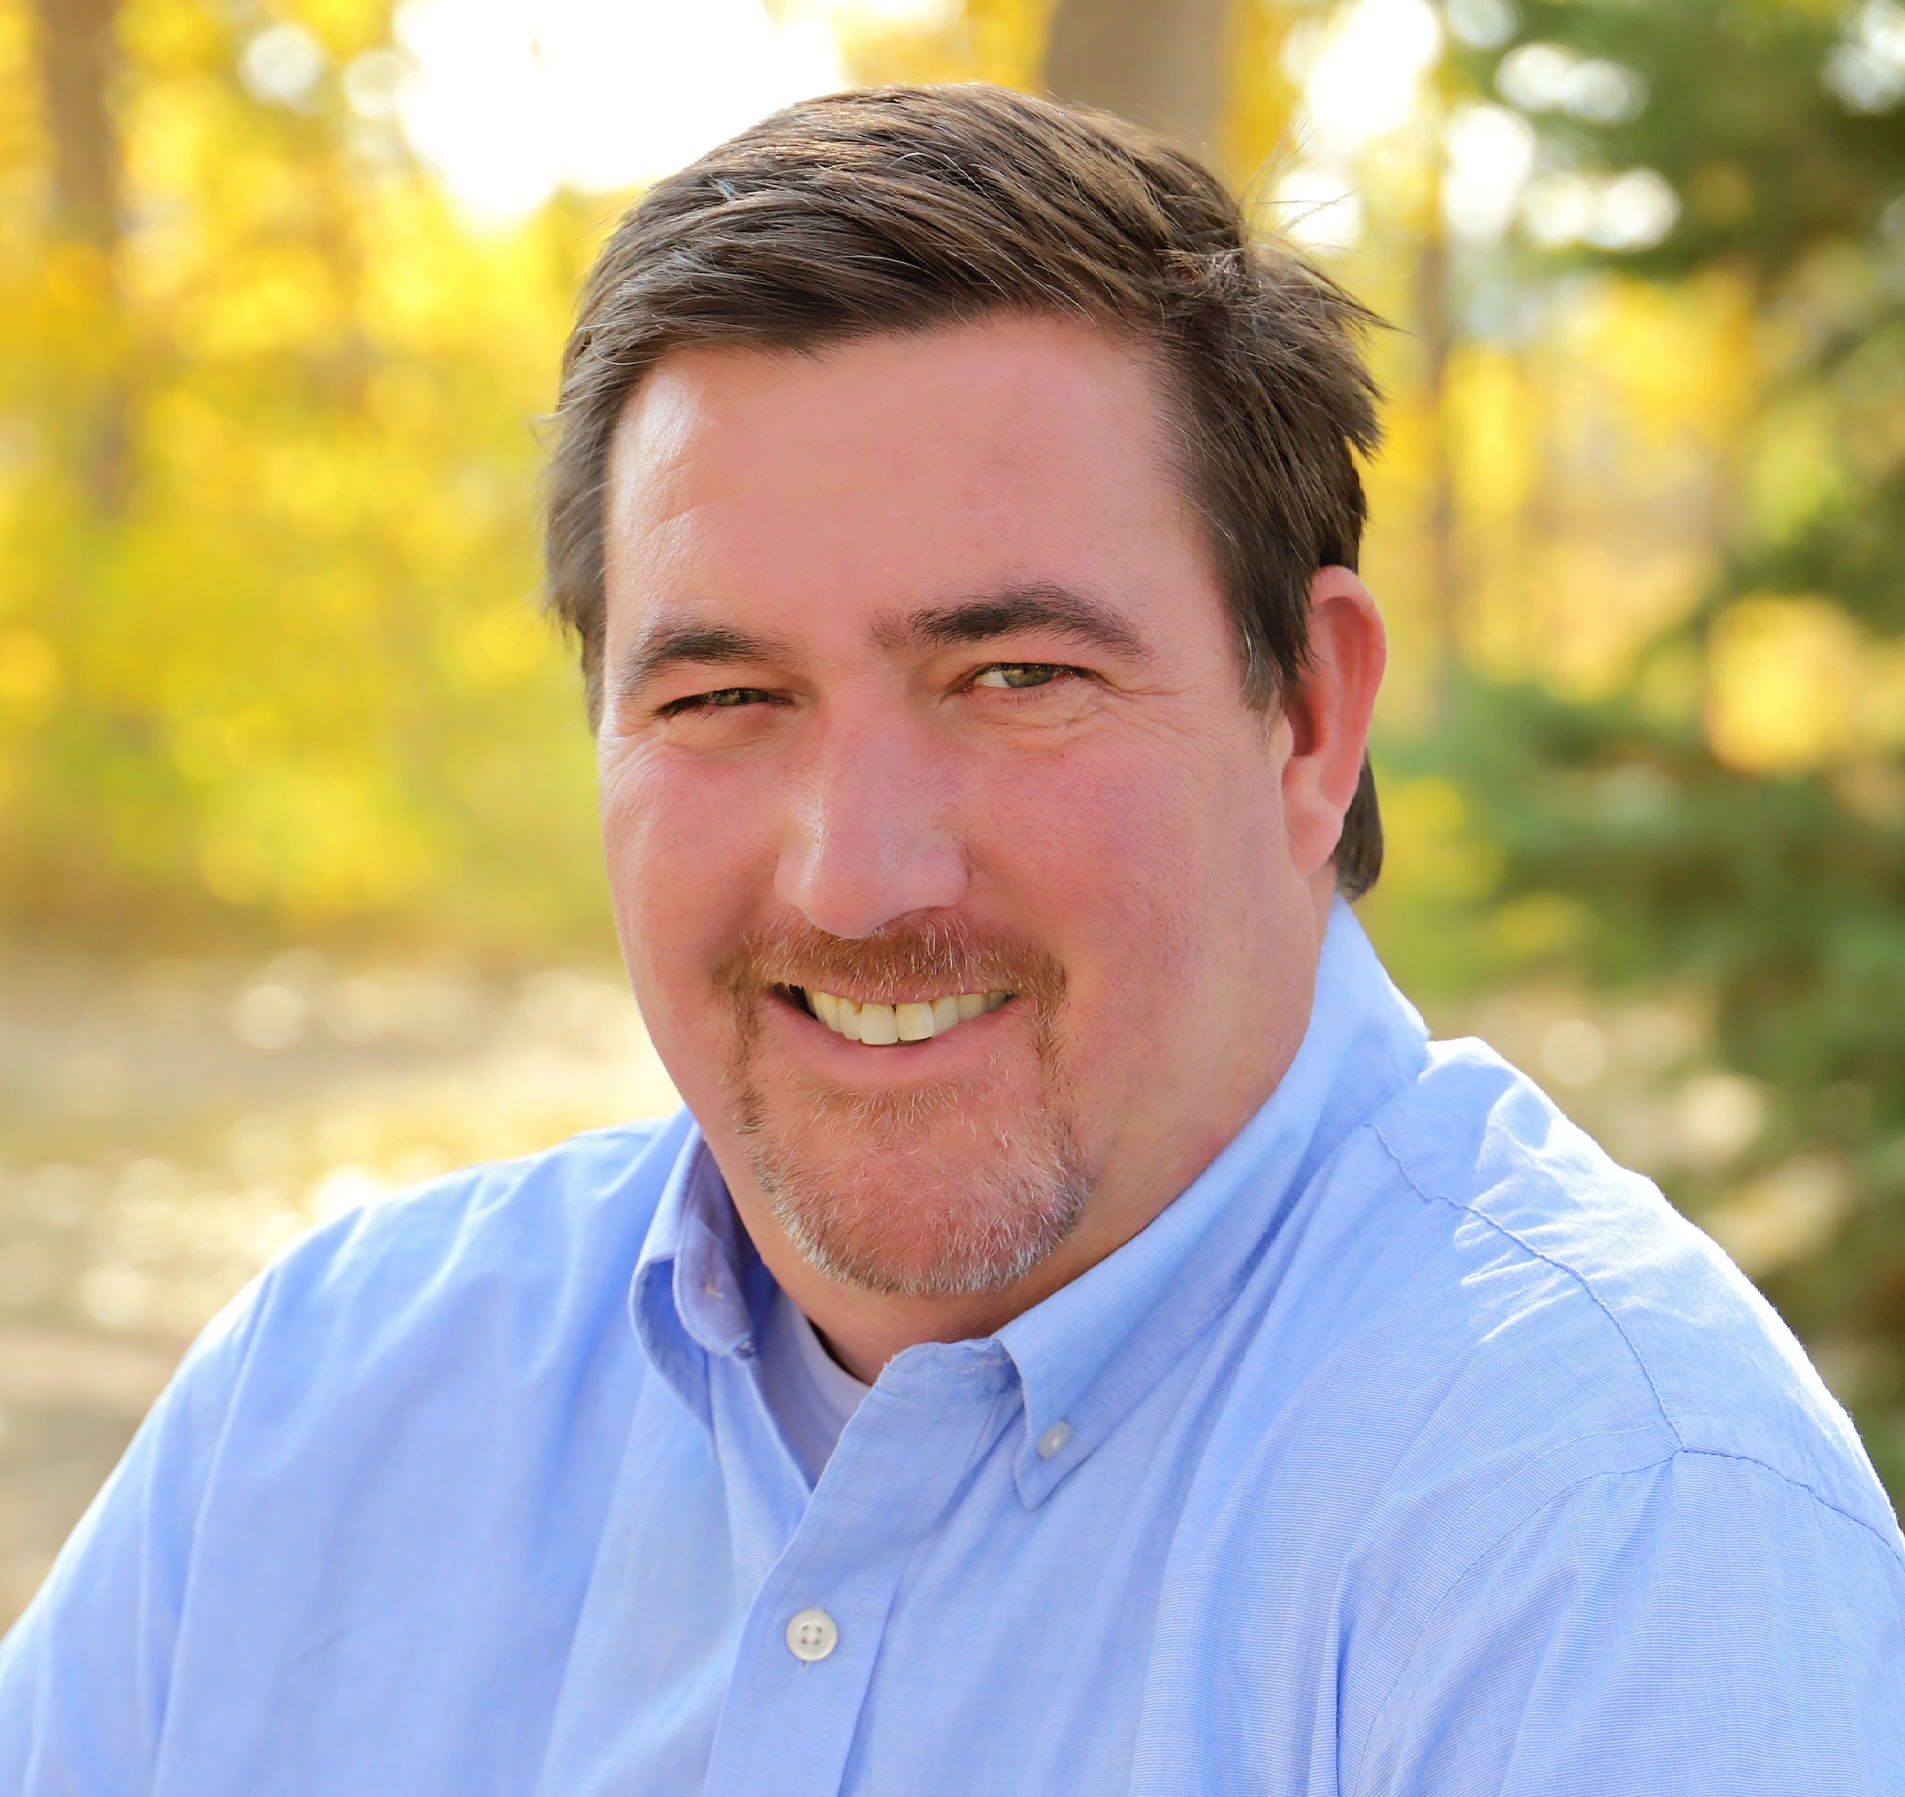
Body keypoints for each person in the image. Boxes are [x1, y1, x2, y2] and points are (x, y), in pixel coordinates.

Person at [2, 83, 1899, 1795]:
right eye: (725, 697)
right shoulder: (325, 1407)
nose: (855, 880)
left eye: (1013, 673)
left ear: (1309, 716)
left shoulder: (1624, 1546)